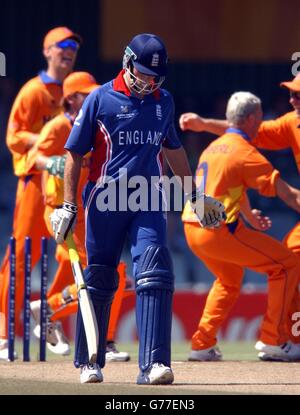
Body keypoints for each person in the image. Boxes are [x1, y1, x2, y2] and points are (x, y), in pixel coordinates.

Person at [50, 33, 225, 384]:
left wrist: (193, 195)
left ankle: (154, 365)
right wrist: (68, 205)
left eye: (155, 77)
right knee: (99, 279)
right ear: (127, 63)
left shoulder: (164, 101)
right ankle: (89, 361)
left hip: (147, 197)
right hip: (104, 199)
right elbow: (75, 153)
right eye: (143, 74)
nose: (149, 82)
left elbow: (173, 150)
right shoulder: (100, 98)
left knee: (155, 272)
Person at [179, 74, 300, 346]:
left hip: (191, 225)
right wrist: (204, 123)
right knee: (287, 263)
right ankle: (276, 339)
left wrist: (202, 125)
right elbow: (287, 194)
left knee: (231, 278)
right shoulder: (285, 127)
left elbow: (234, 182)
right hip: (217, 228)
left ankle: (202, 343)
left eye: (297, 95)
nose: (291, 100)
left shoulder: (214, 147)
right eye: (292, 94)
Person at [26, 71, 131, 361]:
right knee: (108, 273)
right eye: (86, 93)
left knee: (113, 273)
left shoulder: (94, 125)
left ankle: (50, 311)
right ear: (71, 98)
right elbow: (33, 158)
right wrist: (56, 162)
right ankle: (92, 334)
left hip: (87, 213)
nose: (93, 97)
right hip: (60, 211)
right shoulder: (59, 126)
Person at [0, 27, 82, 360]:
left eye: (74, 46)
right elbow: (14, 137)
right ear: (47, 50)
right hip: (37, 181)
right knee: (22, 256)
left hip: (68, 183)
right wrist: (49, 138)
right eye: (63, 45)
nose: (70, 50)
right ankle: (4, 331)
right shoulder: (33, 92)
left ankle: (47, 314)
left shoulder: (76, 91)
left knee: (72, 253)